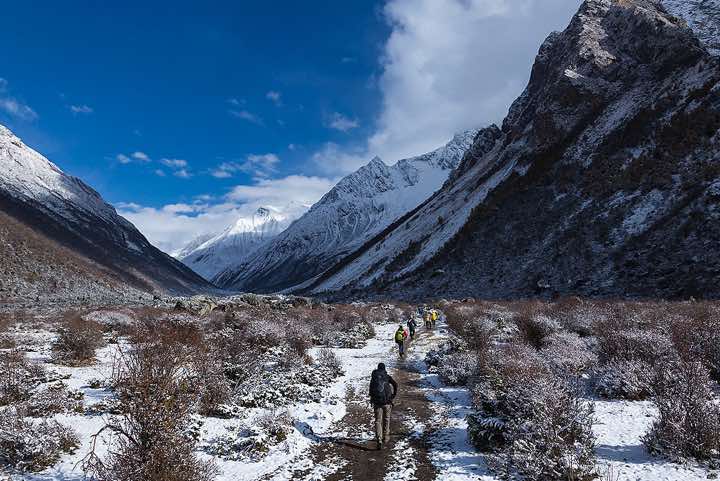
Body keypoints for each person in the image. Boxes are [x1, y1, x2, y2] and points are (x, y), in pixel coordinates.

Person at [369, 363, 398, 450]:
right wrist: (393, 395)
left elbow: (370, 390)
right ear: (384, 369)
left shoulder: (374, 378)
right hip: (387, 402)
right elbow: (395, 384)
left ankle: (379, 439)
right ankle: (386, 437)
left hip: (377, 402)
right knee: (386, 419)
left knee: (378, 421)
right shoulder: (387, 376)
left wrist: (372, 398)